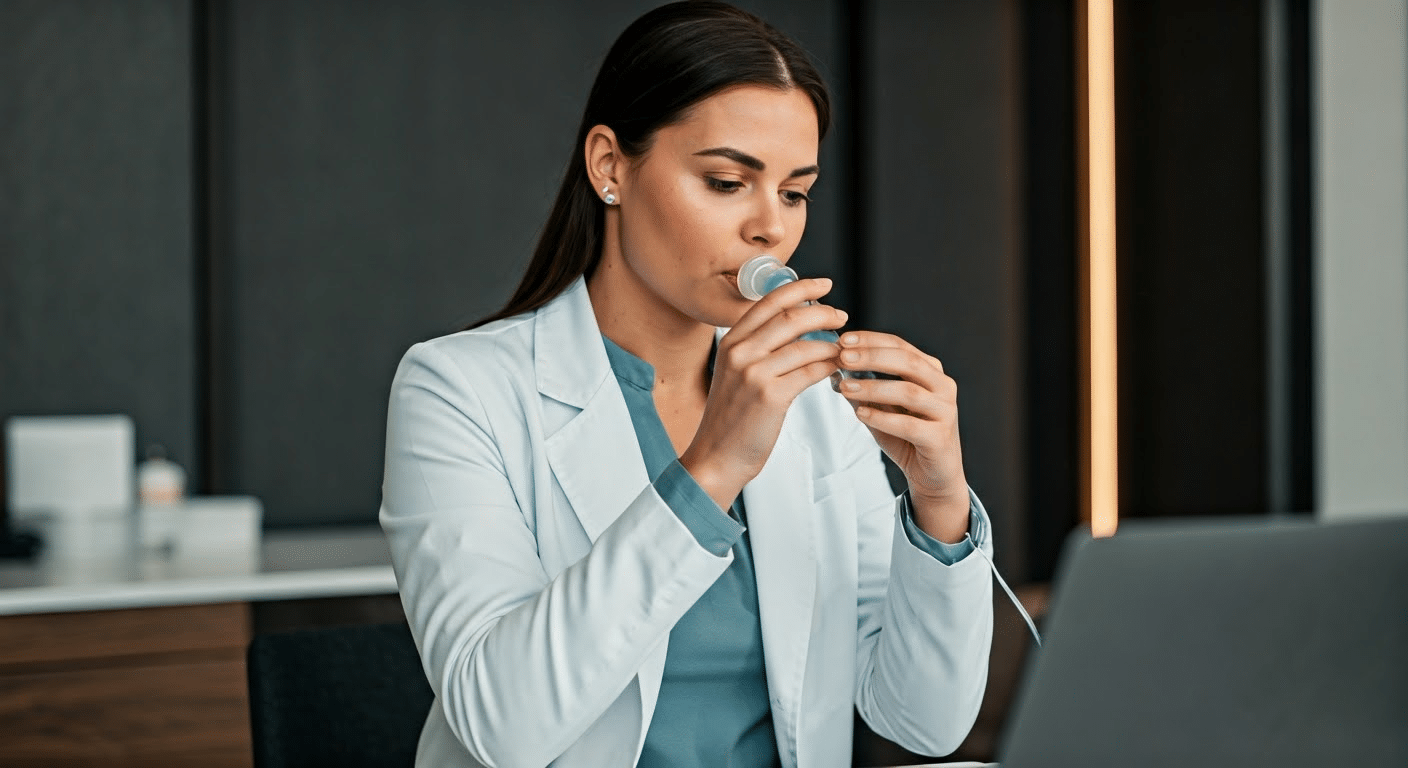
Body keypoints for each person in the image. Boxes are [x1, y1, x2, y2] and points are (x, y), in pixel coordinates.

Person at [379, 3, 994, 766]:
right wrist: (713, 467)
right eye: (728, 181)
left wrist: (939, 505)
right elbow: (501, 725)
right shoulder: (457, 390)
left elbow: (923, 722)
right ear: (610, 167)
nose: (770, 227)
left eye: (795, 192)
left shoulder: (815, 405)